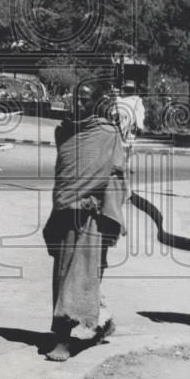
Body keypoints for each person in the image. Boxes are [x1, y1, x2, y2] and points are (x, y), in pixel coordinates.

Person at [42, 79, 127, 362]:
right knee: (66, 275)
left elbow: (115, 177)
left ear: (97, 103)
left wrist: (105, 211)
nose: (79, 104)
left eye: (86, 99)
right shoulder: (64, 132)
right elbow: (63, 173)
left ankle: (63, 339)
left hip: (91, 218)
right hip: (65, 212)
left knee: (80, 277)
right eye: (76, 98)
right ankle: (103, 323)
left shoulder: (107, 134)